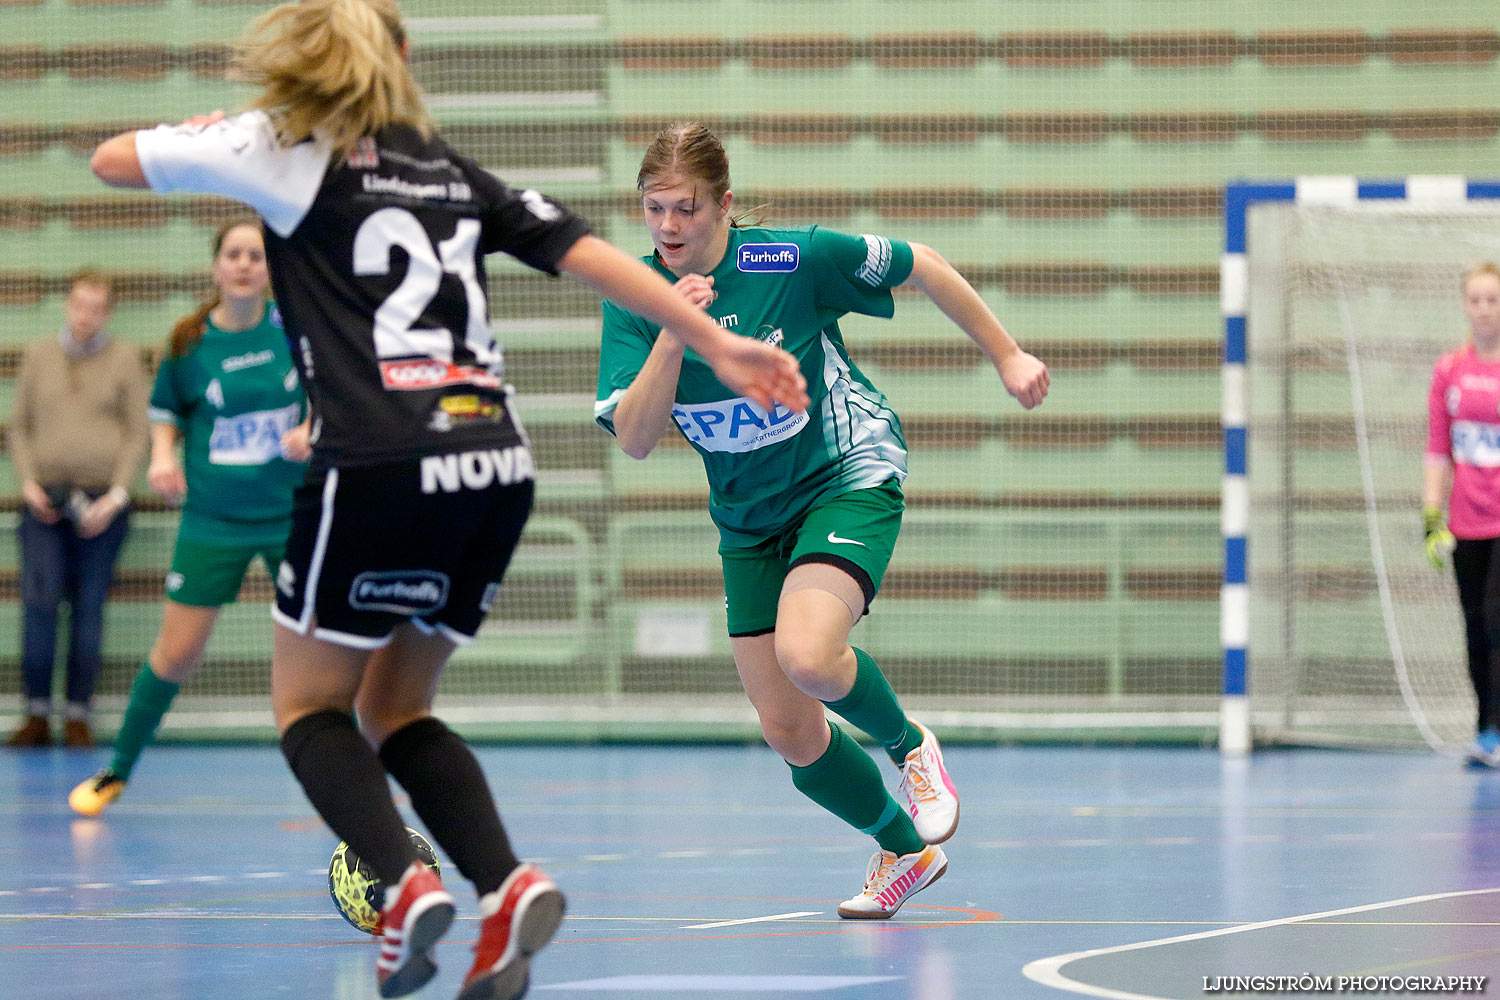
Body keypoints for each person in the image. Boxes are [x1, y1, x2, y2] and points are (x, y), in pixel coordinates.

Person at [89, 3, 806, 998]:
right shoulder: (443, 164)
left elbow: (109, 161)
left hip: (377, 457)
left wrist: (227, 133)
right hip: (493, 463)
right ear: (405, 60)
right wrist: (722, 343)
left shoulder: (282, 147)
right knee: (397, 703)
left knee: (307, 705)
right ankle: (504, 885)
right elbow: (579, 248)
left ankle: (401, 887)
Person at [595, 122, 1050, 919]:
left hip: (846, 474)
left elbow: (926, 266)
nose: (667, 227)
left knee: (808, 653)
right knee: (789, 729)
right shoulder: (637, 297)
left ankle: (911, 748)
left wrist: (1008, 355)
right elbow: (634, 439)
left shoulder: (790, 258)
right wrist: (674, 333)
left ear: (725, 206)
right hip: (747, 521)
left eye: (686, 210)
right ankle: (905, 851)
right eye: (654, 209)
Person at [69, 219, 310, 816]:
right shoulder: (188, 341)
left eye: (256, 254)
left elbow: (336, 393)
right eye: (234, 254)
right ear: (217, 267)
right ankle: (118, 769)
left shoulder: (300, 328)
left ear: (269, 267)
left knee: (323, 654)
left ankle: (362, 779)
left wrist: (313, 427)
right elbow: (164, 410)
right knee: (176, 653)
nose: (245, 264)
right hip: (213, 521)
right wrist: (161, 455)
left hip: (293, 517)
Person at [7, 270, 149, 749]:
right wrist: (27, 482)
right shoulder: (39, 355)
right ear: (68, 305)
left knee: (90, 607)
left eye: (96, 307)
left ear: (107, 312)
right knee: (40, 604)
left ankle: (78, 714)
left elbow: (139, 432)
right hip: (43, 502)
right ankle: (36, 714)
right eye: (79, 305)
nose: (86, 315)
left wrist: (117, 495)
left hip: (102, 508)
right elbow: (19, 426)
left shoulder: (126, 359)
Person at [1424, 260, 1500, 770]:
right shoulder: (1448, 370)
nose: (1484, 309)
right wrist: (1432, 517)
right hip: (1464, 521)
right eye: (1475, 299)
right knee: (1474, 628)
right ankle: (1485, 729)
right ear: (1463, 305)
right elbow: (1436, 449)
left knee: (1497, 620)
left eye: (1493, 299)